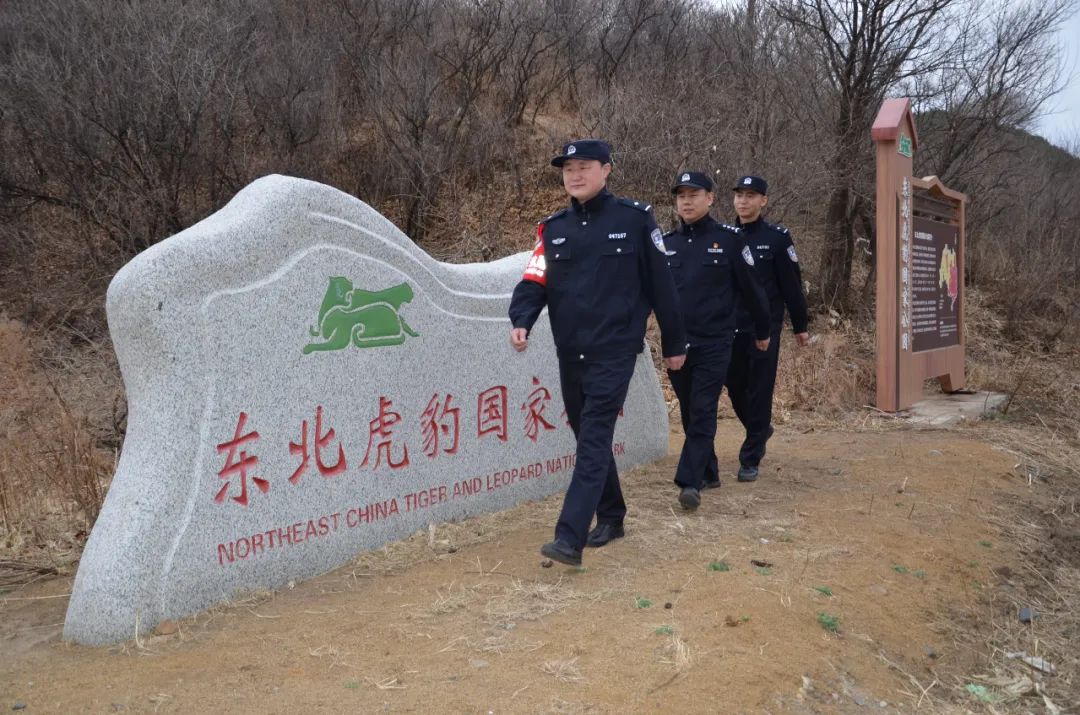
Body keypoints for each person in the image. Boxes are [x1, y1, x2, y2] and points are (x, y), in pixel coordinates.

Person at [508, 139, 687, 566]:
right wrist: (522, 319)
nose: (574, 174)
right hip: (571, 352)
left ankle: (569, 537)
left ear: (606, 170)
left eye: (584, 166)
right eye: (568, 167)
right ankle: (612, 515)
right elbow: (535, 280)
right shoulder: (553, 229)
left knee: (592, 438)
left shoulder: (635, 220)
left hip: (615, 351)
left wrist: (675, 344)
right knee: (588, 436)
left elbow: (663, 286)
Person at [663, 172, 771, 510]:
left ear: (710, 198)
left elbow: (753, 291)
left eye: (694, 194)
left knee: (703, 407)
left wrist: (763, 330)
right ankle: (708, 470)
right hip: (678, 345)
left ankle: (690, 481)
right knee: (688, 410)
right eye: (681, 195)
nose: (686, 201)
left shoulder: (730, 240)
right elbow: (651, 294)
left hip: (716, 341)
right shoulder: (665, 244)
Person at [725, 175, 810, 482]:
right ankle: (760, 429)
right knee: (734, 386)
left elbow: (792, 286)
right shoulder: (725, 236)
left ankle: (751, 457)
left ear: (763, 201)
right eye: (739, 195)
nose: (743, 201)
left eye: (751, 196)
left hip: (766, 328)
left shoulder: (777, 238)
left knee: (760, 390)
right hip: (731, 327)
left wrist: (800, 325)